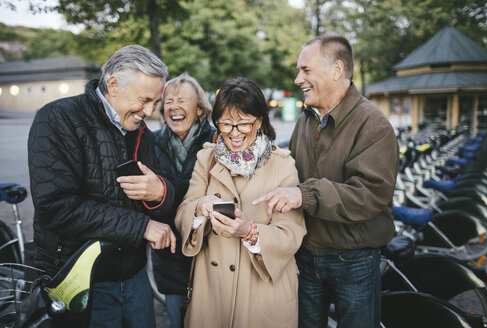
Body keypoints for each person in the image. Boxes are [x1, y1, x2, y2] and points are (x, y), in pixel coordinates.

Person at [253, 33, 399, 327]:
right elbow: (287, 165)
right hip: (307, 257)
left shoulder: (373, 124)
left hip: (354, 262)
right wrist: (244, 148)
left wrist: (304, 195)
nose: (297, 79)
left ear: (336, 70)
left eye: (305, 70)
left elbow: (370, 195)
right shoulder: (307, 118)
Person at [28, 45, 176, 328]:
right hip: (80, 280)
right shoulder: (58, 118)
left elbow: (171, 190)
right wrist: (141, 226)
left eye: (155, 103)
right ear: (113, 85)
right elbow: (56, 207)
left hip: (135, 277)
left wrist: (160, 192)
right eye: (144, 100)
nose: (150, 111)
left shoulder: (141, 132)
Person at [174, 77, 306, 327]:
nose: (234, 134)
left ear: (259, 121)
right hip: (212, 293)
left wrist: (249, 231)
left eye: (244, 124)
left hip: (263, 293)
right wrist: (200, 208)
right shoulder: (206, 158)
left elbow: (292, 233)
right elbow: (183, 213)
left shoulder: (282, 163)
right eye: (226, 124)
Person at [151, 73, 216, 328]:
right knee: (177, 319)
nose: (174, 107)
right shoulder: (150, 142)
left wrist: (163, 192)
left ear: (199, 109)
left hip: (208, 255)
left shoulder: (217, 141)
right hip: (169, 256)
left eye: (182, 100)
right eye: (168, 101)